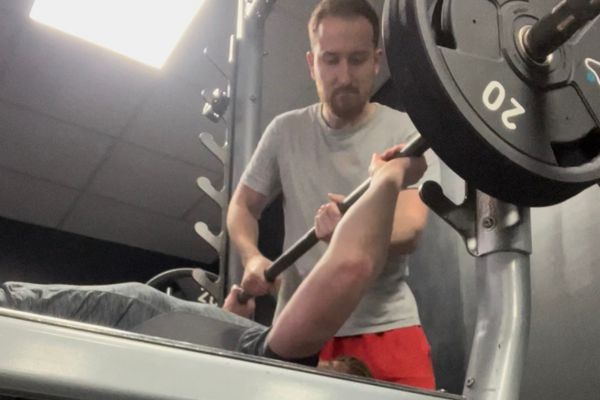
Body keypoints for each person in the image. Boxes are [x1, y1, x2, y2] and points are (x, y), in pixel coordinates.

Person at [0, 147, 426, 373]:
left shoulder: (289, 364)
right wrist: (229, 322)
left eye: (328, 366)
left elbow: (351, 265)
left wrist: (388, 177)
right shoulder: (266, 360)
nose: (320, 357)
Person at [227, 0, 437, 388]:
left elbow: (410, 229)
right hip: (301, 332)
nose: (344, 75)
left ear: (376, 61)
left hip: (385, 327)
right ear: (312, 64)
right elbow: (242, 206)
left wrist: (348, 231)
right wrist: (252, 257)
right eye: (331, 60)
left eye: (357, 59)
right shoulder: (284, 132)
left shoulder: (405, 132)